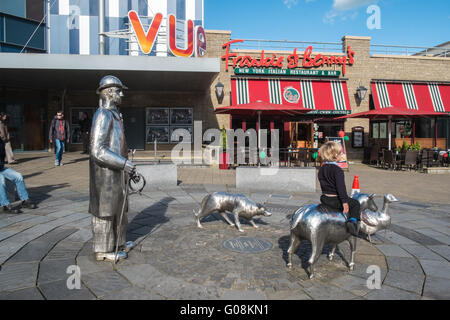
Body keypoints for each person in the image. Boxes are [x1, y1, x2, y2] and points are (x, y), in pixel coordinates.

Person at [89, 75, 136, 262]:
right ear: (108, 93)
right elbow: (97, 150)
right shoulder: (102, 115)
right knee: (105, 213)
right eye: (118, 90)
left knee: (120, 209)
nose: (122, 94)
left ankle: (119, 242)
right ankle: (103, 250)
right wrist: (123, 163)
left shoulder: (116, 115)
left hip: (118, 174)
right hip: (105, 174)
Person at [318, 141, 360, 236]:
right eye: (340, 153)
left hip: (325, 198)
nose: (342, 154)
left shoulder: (322, 169)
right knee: (355, 204)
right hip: (335, 199)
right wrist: (344, 202)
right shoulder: (337, 170)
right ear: (335, 155)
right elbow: (341, 188)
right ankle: (352, 222)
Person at [0, 138, 36, 213]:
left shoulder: (0, 141)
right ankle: (5, 205)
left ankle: (25, 200)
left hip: (1, 168)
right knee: (1, 180)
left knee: (18, 176)